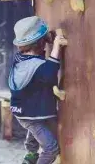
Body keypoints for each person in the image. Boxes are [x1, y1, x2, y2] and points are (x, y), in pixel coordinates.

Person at [8, 16, 67, 164]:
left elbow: (38, 60)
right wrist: (56, 47)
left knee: (35, 128)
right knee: (51, 148)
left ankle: (30, 155)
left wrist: (44, 40)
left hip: (24, 111)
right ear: (41, 43)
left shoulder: (20, 60)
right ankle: (33, 155)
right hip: (29, 115)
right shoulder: (36, 66)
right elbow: (49, 72)